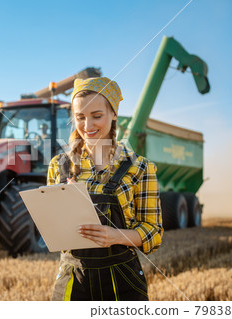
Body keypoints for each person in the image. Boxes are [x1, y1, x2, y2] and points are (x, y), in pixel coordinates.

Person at [47, 77, 163, 301]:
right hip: (72, 278)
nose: (87, 126)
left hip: (122, 279)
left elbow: (154, 232)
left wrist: (116, 236)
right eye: (80, 117)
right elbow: (52, 231)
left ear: (114, 115)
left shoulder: (140, 168)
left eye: (96, 116)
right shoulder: (59, 166)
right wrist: (65, 205)